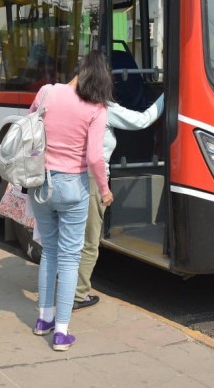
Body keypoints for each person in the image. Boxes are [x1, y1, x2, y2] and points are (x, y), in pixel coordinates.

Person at [29, 50, 113, 352]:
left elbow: (30, 128)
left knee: (49, 251)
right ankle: (62, 332)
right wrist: (104, 189)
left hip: (40, 184)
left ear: (78, 70)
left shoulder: (47, 92)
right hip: (72, 187)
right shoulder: (97, 108)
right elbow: (94, 157)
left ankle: (44, 319)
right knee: (69, 258)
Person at [73, 93, 165, 311]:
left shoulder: (72, 105)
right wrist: (166, 94)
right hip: (91, 181)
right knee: (89, 241)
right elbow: (142, 120)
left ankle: (60, 287)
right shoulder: (104, 109)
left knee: (69, 238)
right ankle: (77, 295)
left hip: (66, 178)